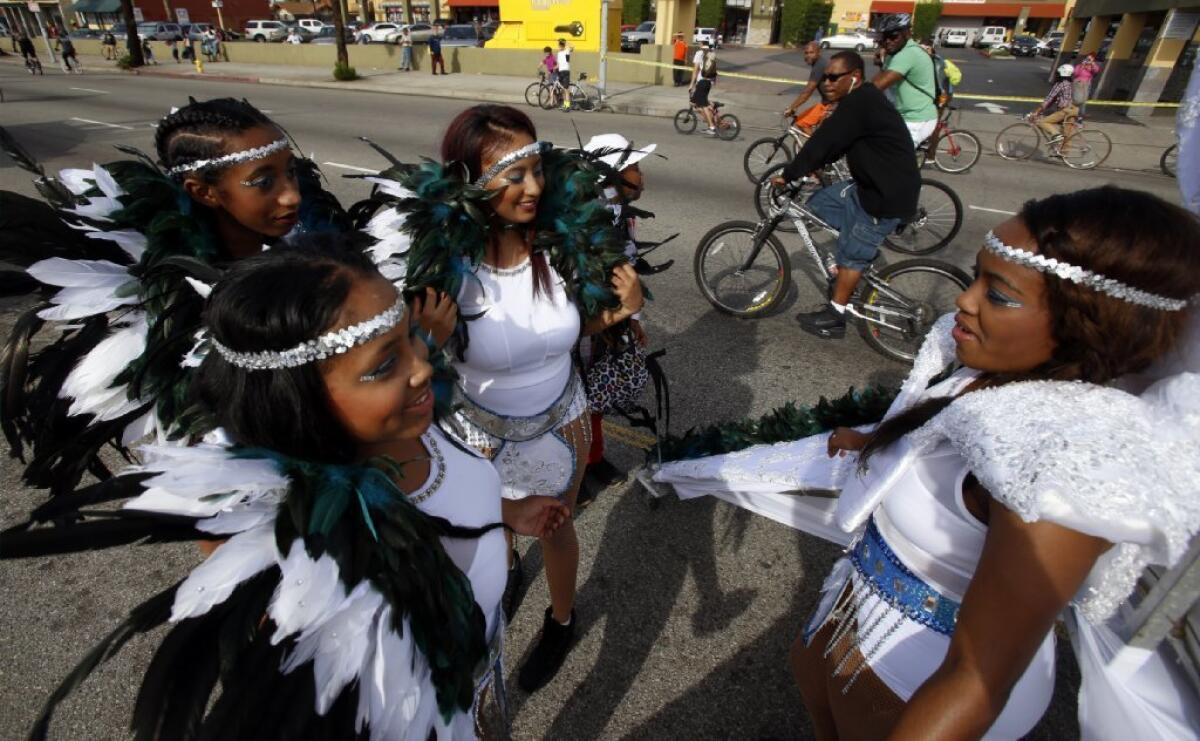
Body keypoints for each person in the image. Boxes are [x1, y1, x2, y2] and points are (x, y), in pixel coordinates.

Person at [653, 186, 1200, 738]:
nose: (965, 300)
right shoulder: (999, 376)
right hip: (852, 630)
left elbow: (978, 679)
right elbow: (940, 437)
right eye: (978, 277)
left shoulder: (1059, 467)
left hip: (915, 689)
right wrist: (874, 442)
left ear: (1090, 323)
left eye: (1000, 296)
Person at [1, 235, 571, 738]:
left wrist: (507, 512)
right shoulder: (299, 538)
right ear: (302, 397)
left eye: (411, 339)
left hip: (483, 670)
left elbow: (446, 505)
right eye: (382, 364)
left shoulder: (411, 412)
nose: (423, 365)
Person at [378, 105, 641, 693]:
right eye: (512, 173)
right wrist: (428, 345)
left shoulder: (559, 246)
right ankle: (495, 595)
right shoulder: (446, 269)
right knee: (491, 532)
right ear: (468, 182)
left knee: (557, 526)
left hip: (562, 422)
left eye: (535, 167)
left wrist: (623, 309)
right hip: (476, 431)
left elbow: (574, 331)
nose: (532, 186)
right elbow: (402, 376)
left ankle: (561, 620)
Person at [0, 98, 351, 499]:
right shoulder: (183, 318)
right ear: (203, 192)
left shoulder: (310, 249)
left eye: (290, 172)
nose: (291, 195)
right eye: (263, 181)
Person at [772, 51, 920, 340]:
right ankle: (853, 256)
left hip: (884, 196)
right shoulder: (859, 101)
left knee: (852, 256)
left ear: (854, 77)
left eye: (833, 77)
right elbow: (837, 144)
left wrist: (789, 175)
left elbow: (824, 143)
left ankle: (836, 315)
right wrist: (813, 168)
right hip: (867, 186)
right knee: (820, 202)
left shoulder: (859, 102)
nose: (826, 82)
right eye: (824, 76)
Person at [579, 133, 659, 499]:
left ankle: (593, 458)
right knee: (575, 397)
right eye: (635, 167)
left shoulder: (620, 213)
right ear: (612, 175)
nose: (641, 175)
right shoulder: (586, 218)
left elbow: (624, 266)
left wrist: (633, 318)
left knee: (592, 394)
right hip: (583, 322)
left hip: (611, 319)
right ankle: (574, 470)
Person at [872, 14, 939, 147]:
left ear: (907, 34)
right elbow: (883, 83)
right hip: (901, 115)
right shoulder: (894, 53)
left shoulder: (908, 54)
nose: (887, 41)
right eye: (884, 37)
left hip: (916, 120)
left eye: (893, 36)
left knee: (889, 160)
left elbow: (876, 86)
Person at [784, 41, 831, 135]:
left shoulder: (819, 66)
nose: (808, 55)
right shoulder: (820, 63)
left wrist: (792, 107)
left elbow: (808, 91)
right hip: (826, 103)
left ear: (819, 52)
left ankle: (817, 147)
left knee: (802, 123)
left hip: (831, 105)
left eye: (812, 52)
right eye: (806, 53)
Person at [1031, 64, 1078, 146]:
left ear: (1062, 74)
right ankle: (1063, 154)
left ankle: (1056, 135)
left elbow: (1049, 98)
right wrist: (1043, 110)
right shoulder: (1069, 83)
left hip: (1065, 111)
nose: (1056, 74)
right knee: (1067, 135)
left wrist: (1036, 112)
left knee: (1042, 122)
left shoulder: (1060, 84)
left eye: (1058, 73)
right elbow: (1053, 99)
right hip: (1072, 110)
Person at [690, 40, 720, 134]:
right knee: (695, 103)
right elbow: (714, 69)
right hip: (709, 82)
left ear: (701, 44)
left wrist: (691, 84)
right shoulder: (712, 53)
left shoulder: (700, 53)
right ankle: (711, 113)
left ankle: (711, 127)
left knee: (702, 105)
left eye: (699, 43)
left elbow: (695, 70)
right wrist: (714, 81)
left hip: (702, 82)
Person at [555, 38, 573, 109]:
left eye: (560, 45)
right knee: (562, 89)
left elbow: (572, 47)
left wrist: (566, 42)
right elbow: (558, 64)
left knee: (566, 89)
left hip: (565, 71)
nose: (559, 47)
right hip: (561, 72)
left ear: (563, 46)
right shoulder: (559, 53)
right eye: (559, 45)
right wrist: (554, 69)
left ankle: (567, 106)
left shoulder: (567, 51)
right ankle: (565, 104)